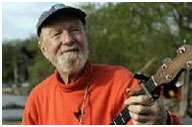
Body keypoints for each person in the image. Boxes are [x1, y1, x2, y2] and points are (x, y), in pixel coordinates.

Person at [22, 3, 183, 125]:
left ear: (85, 36)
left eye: (75, 30)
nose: (68, 39)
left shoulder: (120, 81)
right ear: (43, 49)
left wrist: (164, 120)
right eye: (57, 34)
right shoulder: (37, 98)